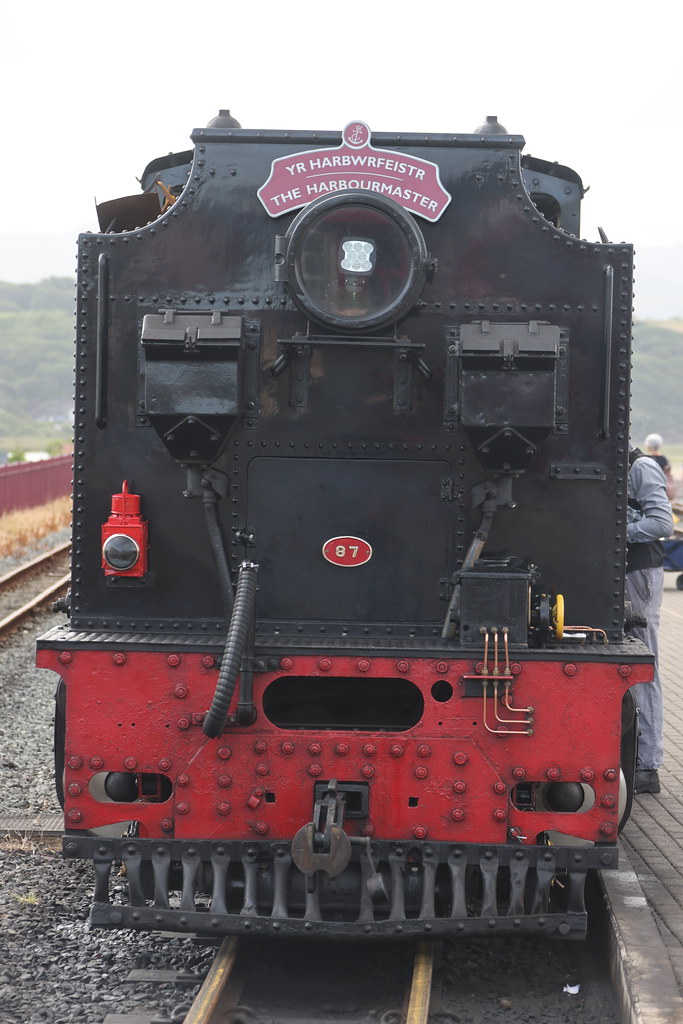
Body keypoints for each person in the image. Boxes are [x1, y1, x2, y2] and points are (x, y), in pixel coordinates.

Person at [626, 446, 674, 794]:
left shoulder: (641, 466)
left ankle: (647, 764)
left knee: (645, 660)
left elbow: (662, 523)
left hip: (640, 569)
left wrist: (616, 529)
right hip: (629, 568)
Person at [644, 433, 676, 501]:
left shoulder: (646, 459)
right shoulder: (664, 459)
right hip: (663, 490)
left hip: (650, 490)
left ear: (648, 446)